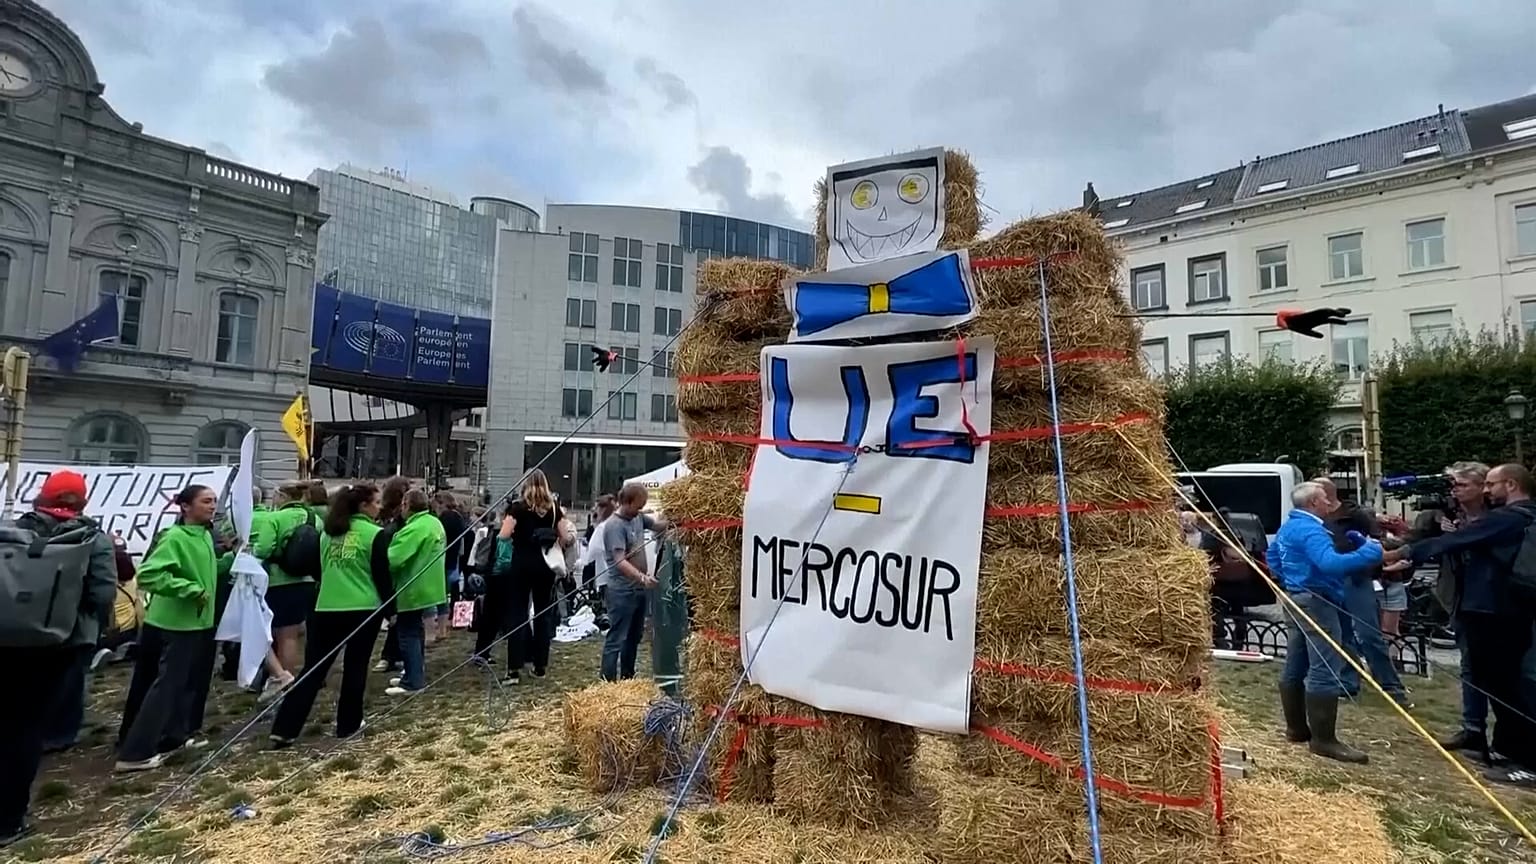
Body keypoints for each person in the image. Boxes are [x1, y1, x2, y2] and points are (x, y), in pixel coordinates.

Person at [1385, 463, 1536, 786]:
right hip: (1496, 609)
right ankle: (1506, 749)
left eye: (1491, 484)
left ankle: (1527, 760)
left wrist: (1401, 553)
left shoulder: (1510, 518)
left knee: (1508, 685)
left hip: (1497, 611)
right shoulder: (1517, 517)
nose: (1486, 490)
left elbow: (1458, 542)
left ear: (1510, 485)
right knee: (1498, 682)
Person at [0, 470, 116, 847]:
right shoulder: (92, 539)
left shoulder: (15, 530)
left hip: (5, 638)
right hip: (59, 644)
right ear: (81, 502)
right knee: (26, 729)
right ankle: (9, 821)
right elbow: (102, 594)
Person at [1269, 481, 1383, 764]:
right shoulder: (1311, 529)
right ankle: (1324, 739)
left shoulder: (1289, 527)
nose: (1329, 503)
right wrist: (1370, 552)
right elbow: (1330, 563)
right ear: (1313, 504)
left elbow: (1272, 558)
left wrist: (1290, 581)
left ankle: (1296, 728)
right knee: (1325, 664)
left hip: (1296, 596)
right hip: (1317, 599)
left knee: (1296, 660)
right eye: (1323, 499)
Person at [116, 485, 228, 773]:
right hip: (176, 624)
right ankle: (135, 752)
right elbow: (150, 575)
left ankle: (174, 738)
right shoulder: (175, 537)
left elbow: (205, 571)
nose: (212, 505)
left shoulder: (204, 535)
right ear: (185, 506)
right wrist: (188, 589)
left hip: (197, 623)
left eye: (214, 501)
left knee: (184, 685)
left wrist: (233, 561)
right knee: (166, 686)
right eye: (205, 501)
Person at [270, 484, 393, 745]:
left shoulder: (328, 533)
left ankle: (285, 727)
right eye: (376, 502)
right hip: (362, 608)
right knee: (355, 668)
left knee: (314, 669)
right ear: (363, 506)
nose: (379, 507)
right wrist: (391, 610)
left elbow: (317, 569)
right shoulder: (375, 534)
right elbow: (383, 577)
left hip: (326, 607)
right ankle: (348, 725)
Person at [1311, 477, 1412, 708]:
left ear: (1325, 493)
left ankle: (1391, 687)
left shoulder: (1354, 515)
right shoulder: (1318, 518)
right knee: (1343, 634)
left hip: (1356, 577)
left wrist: (1371, 566)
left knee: (1369, 634)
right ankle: (1348, 681)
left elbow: (1375, 543)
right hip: (1332, 579)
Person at [492, 470, 574, 685]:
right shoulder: (555, 509)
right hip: (545, 566)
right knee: (542, 614)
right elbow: (567, 537)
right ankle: (540, 666)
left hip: (521, 565)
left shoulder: (517, 509)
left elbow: (503, 535)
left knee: (517, 615)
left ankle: (514, 669)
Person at [385, 489, 448, 696]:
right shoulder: (434, 523)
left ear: (406, 505)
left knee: (408, 633)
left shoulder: (414, 528)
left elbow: (393, 559)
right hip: (432, 585)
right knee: (417, 632)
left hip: (412, 586)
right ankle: (413, 674)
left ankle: (413, 681)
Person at [600, 482, 665, 682]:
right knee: (617, 638)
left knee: (633, 638)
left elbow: (657, 526)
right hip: (621, 591)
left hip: (638, 590)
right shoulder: (614, 526)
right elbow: (620, 561)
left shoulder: (637, 517)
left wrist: (677, 517)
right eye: (638, 506)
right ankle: (608, 681)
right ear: (626, 502)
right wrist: (642, 577)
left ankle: (628, 678)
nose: (640, 510)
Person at [255, 482, 320, 680]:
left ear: (281, 496)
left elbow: (264, 549)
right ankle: (288, 676)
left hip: (278, 581)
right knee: (290, 635)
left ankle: (278, 677)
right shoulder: (315, 518)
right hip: (306, 580)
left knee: (268, 631)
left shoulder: (274, 518)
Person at [372, 477, 412, 674]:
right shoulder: (395, 518)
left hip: (387, 564)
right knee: (398, 615)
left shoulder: (384, 516)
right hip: (390, 562)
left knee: (397, 615)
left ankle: (390, 656)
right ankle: (392, 656)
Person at [433, 493, 467, 642]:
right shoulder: (458, 517)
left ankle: (442, 626)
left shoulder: (446, 518)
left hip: (445, 558)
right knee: (448, 591)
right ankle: (446, 623)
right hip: (454, 558)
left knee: (441, 593)